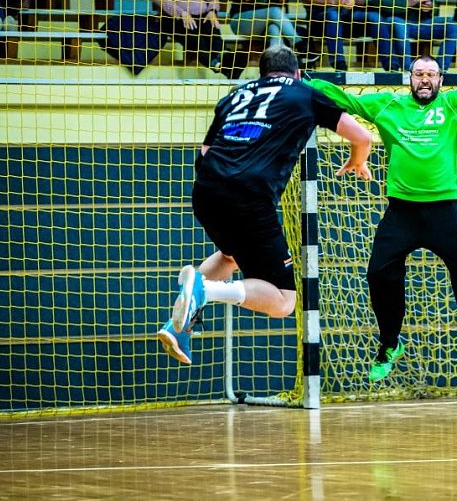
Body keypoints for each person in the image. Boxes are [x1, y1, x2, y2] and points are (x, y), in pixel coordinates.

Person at [308, 54, 457, 383]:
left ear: (440, 80)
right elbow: (345, 99)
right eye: (419, 74)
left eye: (431, 74)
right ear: (410, 78)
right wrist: (302, 81)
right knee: (379, 273)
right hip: (401, 212)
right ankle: (390, 343)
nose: (425, 79)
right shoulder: (388, 105)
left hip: (444, 210)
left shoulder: (456, 105)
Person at [157, 45, 373, 365]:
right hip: (250, 195)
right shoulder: (304, 92)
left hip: (205, 191)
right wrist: (358, 160)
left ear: (262, 73)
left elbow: (203, 154)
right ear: (298, 73)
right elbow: (362, 137)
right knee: (284, 301)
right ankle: (206, 291)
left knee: (231, 254)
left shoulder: (234, 96)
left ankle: (176, 326)